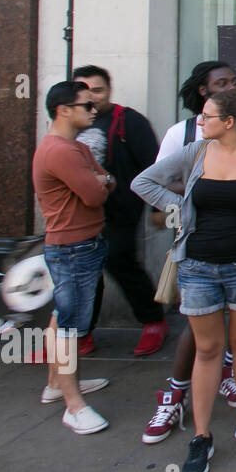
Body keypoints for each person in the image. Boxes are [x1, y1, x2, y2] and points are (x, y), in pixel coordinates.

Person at [133, 91, 236, 472]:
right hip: (197, 267)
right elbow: (143, 181)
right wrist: (182, 204)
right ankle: (201, 435)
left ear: (229, 121)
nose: (200, 122)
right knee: (207, 350)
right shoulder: (197, 152)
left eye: (207, 116)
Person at [33, 81, 116, 434]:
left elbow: (103, 181)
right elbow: (97, 193)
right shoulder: (62, 152)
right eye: (86, 105)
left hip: (80, 246)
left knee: (61, 320)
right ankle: (74, 405)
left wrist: (101, 180)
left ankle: (57, 385)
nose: (94, 109)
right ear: (63, 110)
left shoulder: (74, 147)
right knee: (69, 328)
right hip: (72, 249)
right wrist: (102, 180)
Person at [72, 65, 168, 357]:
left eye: (98, 90)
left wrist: (156, 205)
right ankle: (83, 333)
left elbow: (153, 165)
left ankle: (153, 319)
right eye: (84, 90)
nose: (91, 97)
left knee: (119, 260)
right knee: (84, 272)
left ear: (110, 90)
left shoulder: (130, 121)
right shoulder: (71, 121)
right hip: (80, 212)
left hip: (120, 210)